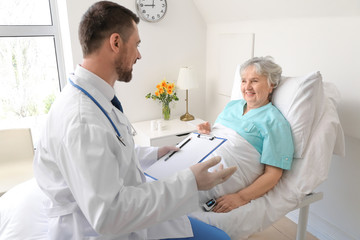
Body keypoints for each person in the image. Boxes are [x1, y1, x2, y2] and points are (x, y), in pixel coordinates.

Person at [33, 1, 236, 239]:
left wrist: (154, 154)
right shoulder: (82, 119)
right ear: (116, 42)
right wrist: (191, 181)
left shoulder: (94, 97)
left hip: (124, 215)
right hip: (97, 229)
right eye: (137, 44)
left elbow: (108, 151)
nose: (139, 55)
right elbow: (109, 215)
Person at [196, 56, 294, 213]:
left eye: (254, 81)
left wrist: (240, 197)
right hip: (199, 157)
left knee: (171, 194)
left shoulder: (275, 122)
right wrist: (207, 132)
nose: (247, 86)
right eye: (243, 81)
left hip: (221, 174)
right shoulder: (233, 106)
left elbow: (273, 174)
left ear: (271, 85)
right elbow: (223, 137)